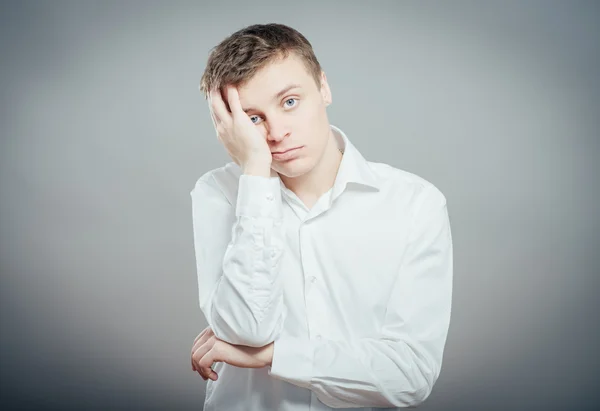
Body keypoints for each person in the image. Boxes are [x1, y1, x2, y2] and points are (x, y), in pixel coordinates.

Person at [189, 23, 453, 411]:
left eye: (290, 101)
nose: (277, 132)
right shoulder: (218, 194)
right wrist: (257, 172)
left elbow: (410, 374)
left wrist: (276, 355)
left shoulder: (415, 203)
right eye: (254, 119)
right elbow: (246, 328)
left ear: (323, 88)